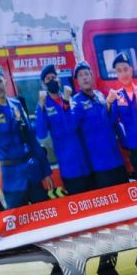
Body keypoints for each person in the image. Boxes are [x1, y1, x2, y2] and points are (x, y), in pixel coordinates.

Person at [0, 63, 52, 209]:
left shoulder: (17, 105)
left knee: (46, 213)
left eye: (0, 80)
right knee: (19, 224)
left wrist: (46, 171)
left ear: (5, 82)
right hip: (12, 180)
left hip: (32, 173)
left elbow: (32, 140)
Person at [34, 63, 92, 195]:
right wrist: (42, 108)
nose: (52, 80)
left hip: (84, 163)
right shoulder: (43, 105)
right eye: (48, 79)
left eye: (54, 77)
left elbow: (74, 126)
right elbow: (41, 133)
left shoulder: (70, 99)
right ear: (44, 84)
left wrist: (66, 101)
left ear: (59, 79)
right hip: (68, 168)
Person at [71, 62, 129, 189]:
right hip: (99, 166)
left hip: (117, 160)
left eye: (86, 74)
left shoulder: (100, 96)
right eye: (80, 75)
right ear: (77, 81)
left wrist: (110, 104)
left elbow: (112, 120)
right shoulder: (76, 102)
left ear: (92, 76)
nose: (84, 77)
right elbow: (72, 127)